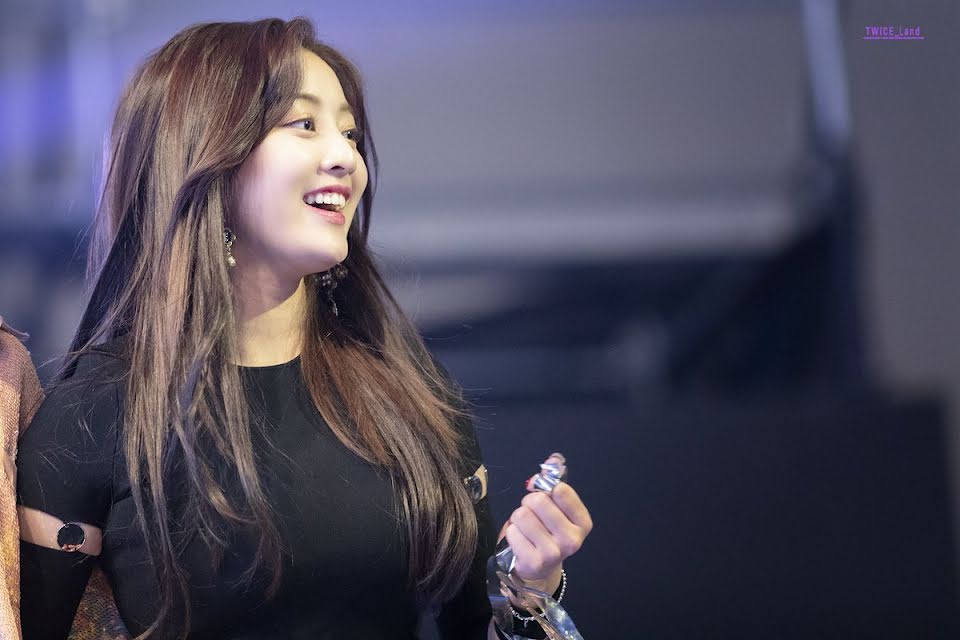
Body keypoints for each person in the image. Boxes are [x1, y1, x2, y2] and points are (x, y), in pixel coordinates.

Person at [14, 16, 593, 640]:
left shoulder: (406, 393)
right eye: (304, 124)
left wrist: (530, 588)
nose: (346, 157)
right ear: (205, 155)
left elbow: (476, 625)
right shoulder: (95, 416)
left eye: (349, 132)